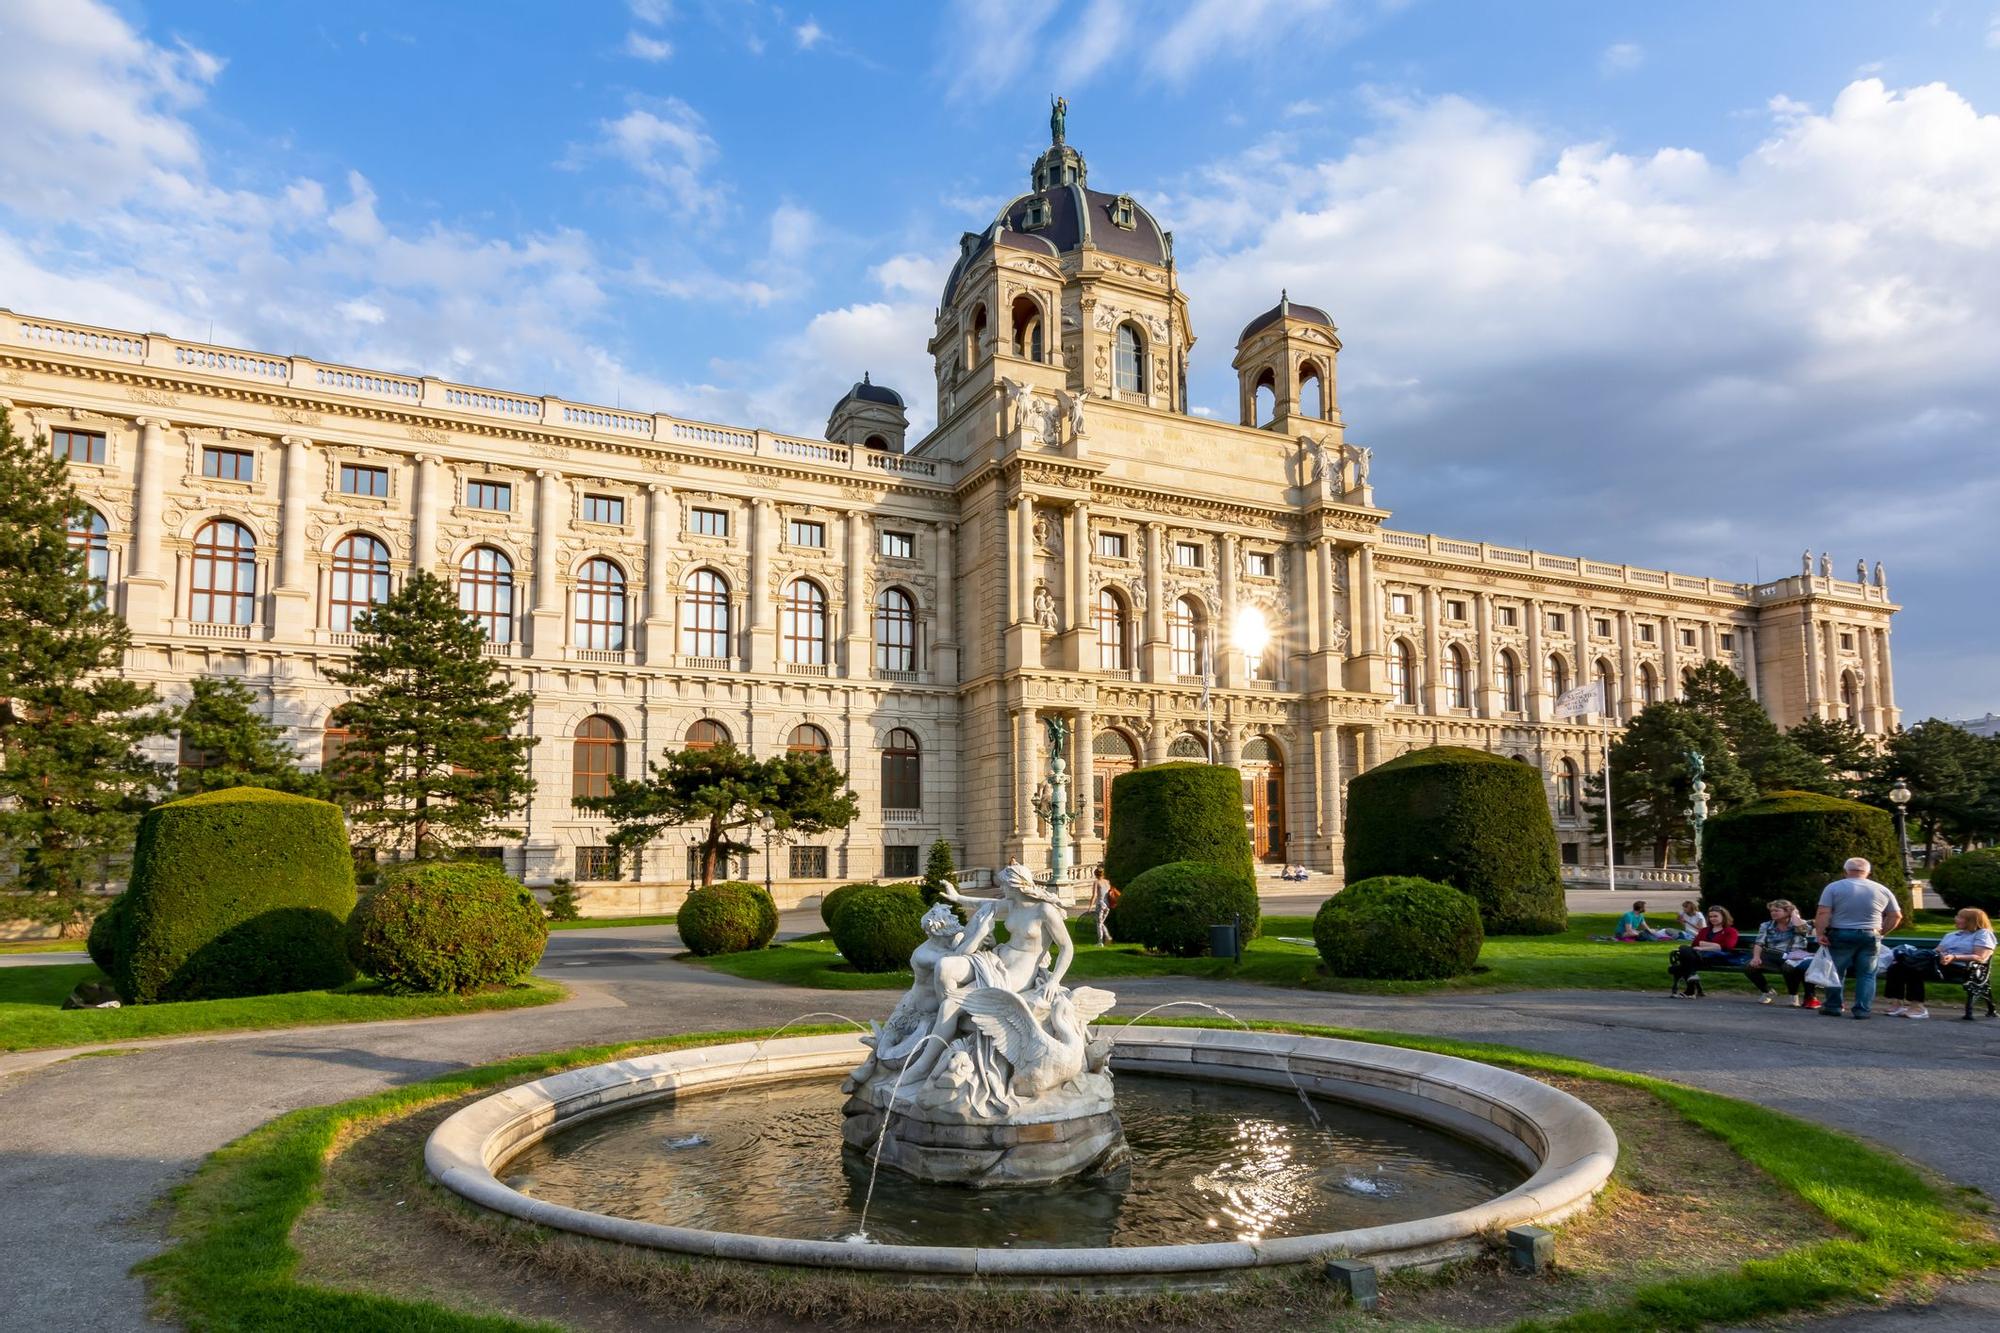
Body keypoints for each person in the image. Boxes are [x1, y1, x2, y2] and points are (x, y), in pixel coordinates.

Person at [1813, 856, 1903, 1019]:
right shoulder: (1882, 889)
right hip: (1870, 933)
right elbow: (1896, 915)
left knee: (1836, 971)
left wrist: (1820, 933)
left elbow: (1823, 912)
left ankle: (1833, 1006)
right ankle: (1862, 1009)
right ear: (1868, 872)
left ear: (1845, 871)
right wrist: (1882, 932)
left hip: (1840, 932)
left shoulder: (1833, 887)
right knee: (1867, 974)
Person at [1882, 908, 1995, 1020]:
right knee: (1897, 967)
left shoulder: (1983, 934)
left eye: (1960, 917)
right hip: (1939, 964)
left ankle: (1918, 1008)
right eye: (1957, 916)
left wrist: (1954, 957)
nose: (1955, 919)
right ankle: (1897, 1003)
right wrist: (1936, 955)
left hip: (1963, 968)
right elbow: (1937, 950)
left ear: (1971, 921)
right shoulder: (1952, 935)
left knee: (1915, 969)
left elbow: (1981, 957)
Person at [1745, 899, 1818, 1007]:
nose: (1773, 913)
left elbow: (1802, 930)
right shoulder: (1766, 925)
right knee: (1749, 966)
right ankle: (1767, 991)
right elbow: (1759, 943)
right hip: (1774, 955)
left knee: (1788, 967)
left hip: (1796, 955)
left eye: (1777, 910)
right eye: (1771, 911)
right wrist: (1756, 957)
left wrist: (1794, 914)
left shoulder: (1800, 923)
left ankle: (1793, 995)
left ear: (1787, 911)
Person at [1670, 906, 1741, 997]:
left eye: (1715, 916)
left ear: (1723, 916)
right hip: (1699, 956)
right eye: (1711, 917)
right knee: (1683, 948)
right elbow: (1695, 944)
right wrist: (1713, 945)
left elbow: (1727, 947)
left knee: (1683, 962)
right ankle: (1691, 983)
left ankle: (1690, 988)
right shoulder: (1705, 930)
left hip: (1716, 958)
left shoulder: (1731, 931)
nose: (1712, 919)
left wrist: (1703, 946)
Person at [1088, 864, 1115, 946]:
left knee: (1099, 924)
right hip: (1107, 905)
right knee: (1101, 922)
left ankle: (1100, 941)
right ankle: (1108, 937)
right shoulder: (1107, 882)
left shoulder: (1096, 882)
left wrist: (1090, 906)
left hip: (1100, 904)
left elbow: (1095, 895)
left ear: (1096, 874)